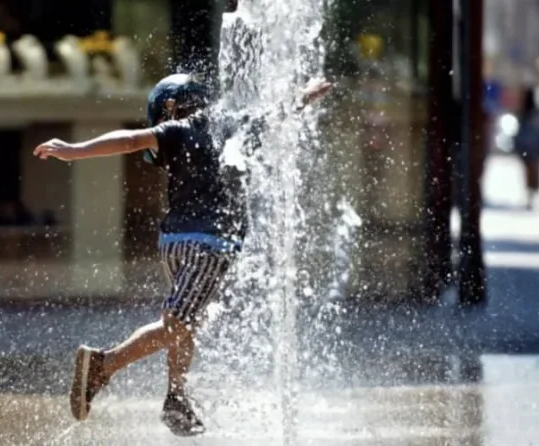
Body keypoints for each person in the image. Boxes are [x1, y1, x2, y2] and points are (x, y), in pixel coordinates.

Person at [33, 73, 331, 436]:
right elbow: (277, 112)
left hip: (173, 242)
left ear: (170, 106)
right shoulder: (232, 126)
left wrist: (75, 150)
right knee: (180, 323)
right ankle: (104, 364)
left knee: (184, 319)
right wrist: (305, 94)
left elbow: (130, 140)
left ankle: (176, 397)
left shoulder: (175, 132)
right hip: (212, 246)